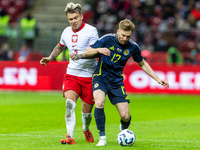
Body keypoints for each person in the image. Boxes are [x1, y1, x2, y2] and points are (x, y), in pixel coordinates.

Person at [70, 19, 169, 146]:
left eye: (127, 36)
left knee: (125, 116)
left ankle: (123, 129)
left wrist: (157, 78)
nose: (124, 38)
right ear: (118, 31)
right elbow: (88, 51)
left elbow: (142, 63)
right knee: (99, 102)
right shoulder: (107, 39)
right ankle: (102, 138)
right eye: (122, 35)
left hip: (116, 82)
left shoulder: (133, 47)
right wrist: (99, 50)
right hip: (100, 77)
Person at [40, 2, 99, 145]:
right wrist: (50, 58)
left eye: (75, 18)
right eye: (70, 19)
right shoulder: (66, 31)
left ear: (81, 16)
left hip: (89, 76)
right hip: (72, 74)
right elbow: (60, 46)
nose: (73, 21)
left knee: (86, 113)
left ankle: (86, 129)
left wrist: (80, 56)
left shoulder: (91, 31)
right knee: (69, 104)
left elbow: (96, 52)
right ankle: (70, 136)